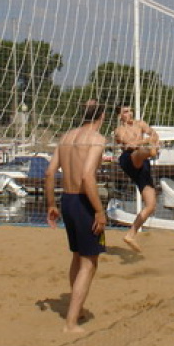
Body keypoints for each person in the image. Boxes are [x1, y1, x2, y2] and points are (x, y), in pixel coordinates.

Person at [44, 102, 107, 333]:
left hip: (67, 200)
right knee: (89, 263)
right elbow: (87, 176)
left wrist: (51, 204)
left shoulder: (66, 137)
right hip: (84, 201)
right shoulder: (96, 139)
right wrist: (99, 211)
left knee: (78, 256)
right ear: (102, 116)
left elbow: (49, 172)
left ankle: (77, 310)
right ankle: (71, 322)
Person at [114, 105, 160, 252]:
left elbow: (154, 134)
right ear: (120, 116)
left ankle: (130, 235)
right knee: (139, 152)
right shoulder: (119, 130)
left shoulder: (140, 124)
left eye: (130, 110)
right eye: (125, 112)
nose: (130, 113)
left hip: (143, 162)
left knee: (151, 205)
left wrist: (152, 139)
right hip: (129, 159)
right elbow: (129, 145)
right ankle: (150, 151)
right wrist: (148, 141)